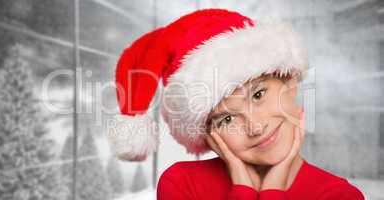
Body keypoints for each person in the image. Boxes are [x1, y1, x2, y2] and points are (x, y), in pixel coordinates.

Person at [108, 8, 365, 199]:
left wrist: (271, 189)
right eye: (226, 119)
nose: (254, 127)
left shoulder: (340, 195)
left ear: (290, 82)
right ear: (206, 135)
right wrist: (244, 189)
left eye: (258, 95)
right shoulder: (182, 184)